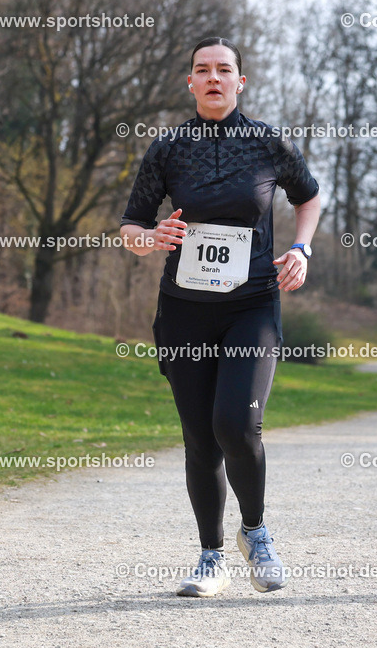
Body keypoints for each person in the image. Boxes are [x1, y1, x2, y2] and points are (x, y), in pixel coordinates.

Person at [120, 37, 320, 597]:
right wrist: (150, 238)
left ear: (240, 82)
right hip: (184, 312)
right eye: (202, 70)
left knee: (236, 422)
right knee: (200, 439)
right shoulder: (168, 148)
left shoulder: (267, 143)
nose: (213, 78)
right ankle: (211, 559)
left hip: (252, 305)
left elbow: (309, 197)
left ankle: (255, 534)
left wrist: (301, 249)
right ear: (190, 83)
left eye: (224, 70)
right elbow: (131, 225)